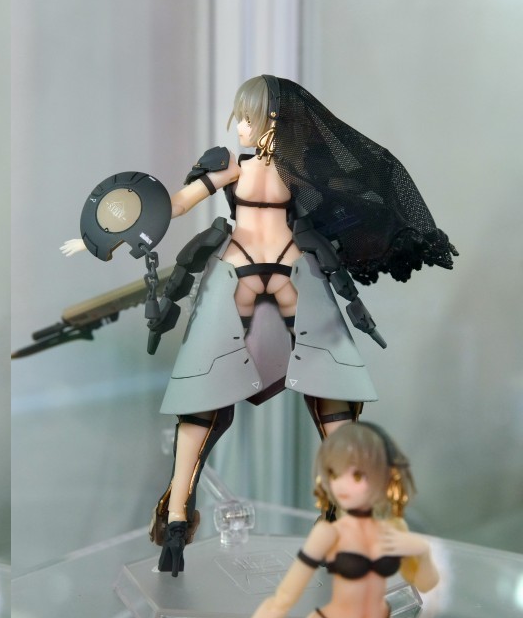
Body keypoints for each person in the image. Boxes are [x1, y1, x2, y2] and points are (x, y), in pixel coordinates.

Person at [62, 76, 455, 574]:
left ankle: (321, 515)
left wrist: (104, 234)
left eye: (247, 118)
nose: (239, 127)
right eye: (238, 118)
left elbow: (178, 205)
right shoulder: (263, 168)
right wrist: (103, 232)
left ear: (273, 120)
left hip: (266, 272)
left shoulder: (268, 168)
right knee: (261, 397)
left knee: (278, 395)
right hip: (266, 271)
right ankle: (195, 518)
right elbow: (180, 203)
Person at [234, 422, 438, 618]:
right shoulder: (328, 534)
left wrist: (423, 552)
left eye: (356, 476)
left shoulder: (395, 528)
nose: (341, 486)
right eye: (334, 474)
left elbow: (426, 585)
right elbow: (281, 601)